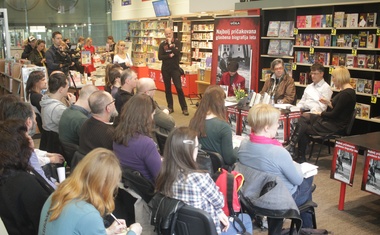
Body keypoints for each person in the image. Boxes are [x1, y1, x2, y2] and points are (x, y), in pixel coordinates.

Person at [155, 127, 252, 235]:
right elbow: (220, 201)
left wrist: (218, 212)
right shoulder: (200, 178)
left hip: (180, 230)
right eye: (197, 146)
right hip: (211, 230)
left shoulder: (163, 176)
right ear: (191, 150)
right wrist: (218, 211)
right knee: (246, 219)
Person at [238, 103, 314, 228]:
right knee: (308, 180)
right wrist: (297, 166)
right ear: (267, 127)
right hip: (279, 199)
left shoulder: (244, 144)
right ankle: (307, 229)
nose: (278, 125)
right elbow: (297, 180)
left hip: (252, 195)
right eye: (276, 122)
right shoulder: (278, 152)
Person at [38, 148, 142, 235]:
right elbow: (85, 222)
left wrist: (107, 231)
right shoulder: (88, 214)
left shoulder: (58, 194)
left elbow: (77, 229)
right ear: (105, 185)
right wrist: (133, 232)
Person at [285, 66, 356, 163]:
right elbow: (339, 109)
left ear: (340, 77)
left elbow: (334, 114)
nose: (333, 80)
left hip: (334, 125)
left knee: (304, 122)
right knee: (304, 121)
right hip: (333, 122)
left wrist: (320, 113)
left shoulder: (346, 94)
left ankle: (293, 148)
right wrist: (328, 103)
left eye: (334, 77)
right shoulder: (347, 92)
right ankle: (295, 150)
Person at [0, 119, 51, 235]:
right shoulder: (24, 183)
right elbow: (47, 219)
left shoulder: (8, 173)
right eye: (26, 137)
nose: (31, 141)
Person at [113, 94, 162, 183]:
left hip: (131, 188)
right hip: (149, 189)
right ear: (146, 117)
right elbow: (161, 177)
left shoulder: (117, 134)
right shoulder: (146, 144)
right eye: (152, 114)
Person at [189, 85, 237, 165]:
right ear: (221, 103)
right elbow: (229, 159)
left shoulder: (194, 121)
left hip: (198, 165)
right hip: (218, 170)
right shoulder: (224, 127)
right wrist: (238, 152)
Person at [158, 27, 189, 116]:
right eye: (166, 34)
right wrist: (170, 55)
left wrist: (171, 45)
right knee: (167, 89)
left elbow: (178, 52)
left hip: (175, 69)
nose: (168, 35)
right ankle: (170, 107)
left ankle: (184, 108)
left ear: (172, 33)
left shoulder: (177, 42)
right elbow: (160, 57)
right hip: (165, 69)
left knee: (179, 88)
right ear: (165, 34)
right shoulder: (162, 44)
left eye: (169, 34)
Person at [78, 90, 117, 155]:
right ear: (108, 108)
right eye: (113, 101)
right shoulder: (109, 134)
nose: (114, 103)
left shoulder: (84, 124)